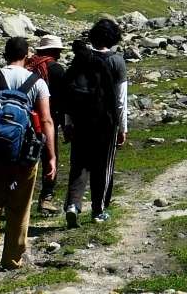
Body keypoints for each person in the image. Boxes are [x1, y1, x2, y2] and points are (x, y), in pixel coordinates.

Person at [0, 37, 57, 285]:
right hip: (25, 156)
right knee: (20, 206)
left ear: (5, 54)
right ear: (27, 56)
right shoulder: (37, 82)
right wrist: (51, 156)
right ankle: (12, 259)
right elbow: (47, 121)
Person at [63, 18, 129, 228]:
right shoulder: (116, 61)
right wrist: (123, 127)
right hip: (106, 123)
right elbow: (121, 100)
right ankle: (98, 210)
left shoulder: (80, 58)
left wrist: (68, 122)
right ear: (113, 38)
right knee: (103, 166)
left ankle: (73, 205)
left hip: (81, 120)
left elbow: (70, 93)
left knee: (79, 164)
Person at [27, 34, 68, 215]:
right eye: (58, 50)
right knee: (50, 158)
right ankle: (46, 197)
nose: (59, 53)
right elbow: (63, 99)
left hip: (24, 119)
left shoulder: (28, 67)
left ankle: (16, 198)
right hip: (47, 119)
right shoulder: (57, 70)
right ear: (54, 51)